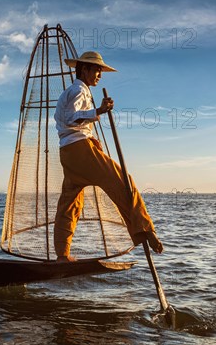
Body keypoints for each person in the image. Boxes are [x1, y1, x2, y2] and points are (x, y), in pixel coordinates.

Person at [53, 51, 163, 263]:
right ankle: (145, 229)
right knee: (123, 182)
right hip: (79, 150)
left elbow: (69, 123)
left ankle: (62, 254)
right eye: (96, 70)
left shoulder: (74, 91)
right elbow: (69, 118)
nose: (99, 75)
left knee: (70, 203)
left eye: (100, 71)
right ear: (84, 70)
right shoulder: (78, 90)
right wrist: (100, 110)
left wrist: (91, 136)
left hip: (68, 152)